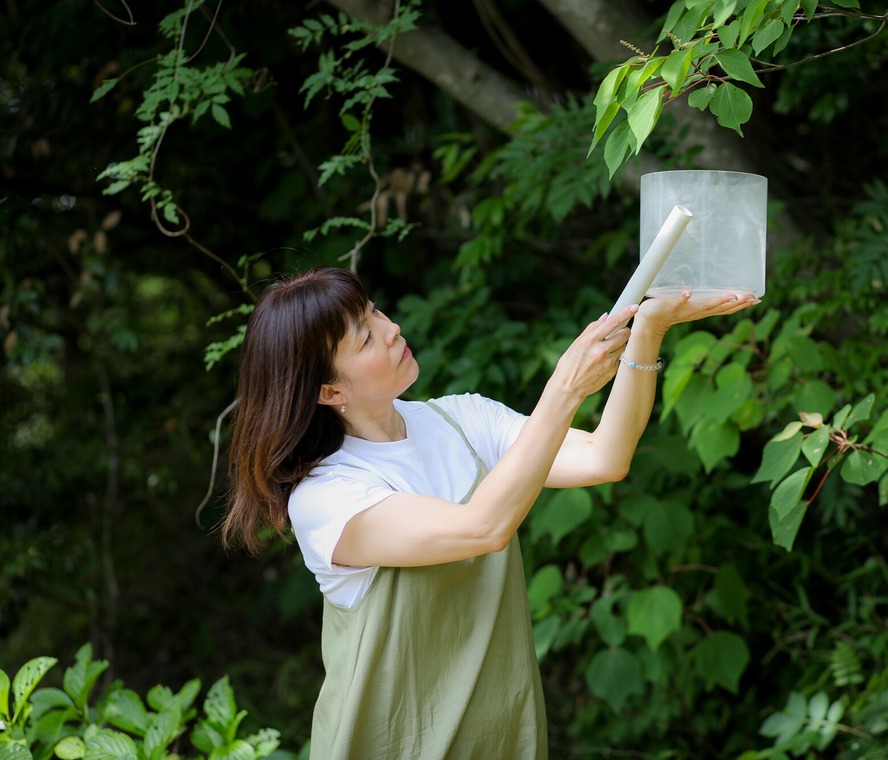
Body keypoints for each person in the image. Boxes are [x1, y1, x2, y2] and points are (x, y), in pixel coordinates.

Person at [221, 266, 758, 759]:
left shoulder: (461, 420)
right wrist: (565, 388)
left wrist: (648, 332)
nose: (390, 329)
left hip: (503, 739)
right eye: (365, 336)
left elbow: (604, 457)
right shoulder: (327, 496)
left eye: (375, 312)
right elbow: (483, 527)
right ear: (329, 389)